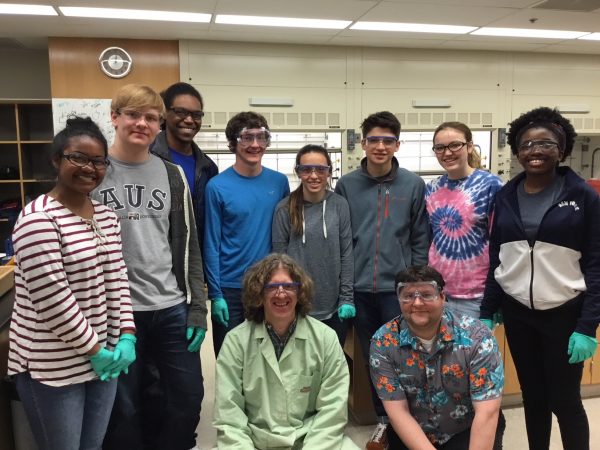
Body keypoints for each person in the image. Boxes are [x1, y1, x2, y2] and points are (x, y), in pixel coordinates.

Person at [7, 116, 136, 450]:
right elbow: (54, 301)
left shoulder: (106, 216)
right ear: (56, 160)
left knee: (92, 445)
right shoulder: (38, 219)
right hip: (53, 365)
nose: (89, 168)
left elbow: (118, 277)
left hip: (105, 357)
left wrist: (126, 335)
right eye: (77, 157)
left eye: (97, 161)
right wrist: (94, 350)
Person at [93, 84, 208, 450]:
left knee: (187, 399)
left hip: (170, 307)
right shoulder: (94, 173)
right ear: (114, 117)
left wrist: (197, 308)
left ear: (160, 125)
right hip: (116, 314)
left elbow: (189, 246)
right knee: (123, 408)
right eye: (132, 114)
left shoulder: (173, 176)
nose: (141, 123)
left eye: (151, 117)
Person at [480, 106, 600, 450]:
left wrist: (588, 325)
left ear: (561, 149)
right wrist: (490, 308)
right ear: (517, 151)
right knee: (533, 398)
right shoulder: (504, 197)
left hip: (565, 315)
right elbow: (497, 256)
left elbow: (596, 262)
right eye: (527, 144)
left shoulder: (582, 196)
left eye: (546, 143)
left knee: (565, 401)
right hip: (518, 314)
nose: (535, 151)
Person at [335, 110, 430, 447]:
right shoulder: (346, 184)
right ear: (363, 143)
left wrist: (415, 285)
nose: (379, 146)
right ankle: (383, 421)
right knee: (373, 357)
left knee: (405, 356)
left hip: (397, 291)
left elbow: (420, 237)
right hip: (358, 290)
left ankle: (411, 419)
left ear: (397, 144)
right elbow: (341, 238)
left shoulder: (413, 184)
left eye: (387, 140)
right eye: (373, 139)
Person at [214, 253, 359, 450]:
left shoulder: (326, 338)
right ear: (258, 293)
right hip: (255, 441)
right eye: (271, 287)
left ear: (300, 293)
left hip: (310, 439)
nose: (281, 294)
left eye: (289, 286)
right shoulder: (235, 342)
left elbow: (332, 413)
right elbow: (229, 415)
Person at [370, 266, 504, 450]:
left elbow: (487, 412)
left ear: (442, 297)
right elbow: (398, 412)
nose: (417, 303)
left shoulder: (477, 337)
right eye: (408, 296)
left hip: (466, 429)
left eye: (426, 294)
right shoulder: (383, 342)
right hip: (413, 430)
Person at [204, 111, 289, 355]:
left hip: (268, 285)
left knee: (268, 357)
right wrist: (216, 293)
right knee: (231, 357)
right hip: (230, 287)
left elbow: (284, 235)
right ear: (233, 143)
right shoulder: (217, 187)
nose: (255, 145)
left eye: (261, 137)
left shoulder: (279, 182)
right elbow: (212, 243)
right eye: (246, 138)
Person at [272, 144, 354, 345]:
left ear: (329, 172)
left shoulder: (339, 205)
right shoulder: (284, 209)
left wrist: (346, 298)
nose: (314, 175)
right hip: (297, 307)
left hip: (335, 308)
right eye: (306, 169)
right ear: (298, 172)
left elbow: (346, 254)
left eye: (320, 169)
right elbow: (278, 261)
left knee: (330, 368)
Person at [426, 122, 503, 319]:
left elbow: (501, 243)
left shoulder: (490, 185)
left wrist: (496, 297)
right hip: (438, 291)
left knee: (470, 350)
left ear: (469, 146)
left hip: (476, 294)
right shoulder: (432, 188)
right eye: (440, 148)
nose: (447, 152)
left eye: (455, 145)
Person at [150, 81, 218, 253]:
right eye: (180, 112)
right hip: (156, 258)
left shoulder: (208, 168)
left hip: (193, 260)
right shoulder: (147, 157)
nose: (189, 120)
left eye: (196, 114)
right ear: (164, 114)